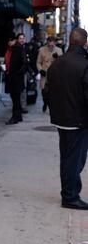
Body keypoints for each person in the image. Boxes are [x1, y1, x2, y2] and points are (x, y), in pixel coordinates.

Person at [46, 28, 88, 210]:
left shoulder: (56, 63)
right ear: (84, 43)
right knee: (74, 160)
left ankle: (68, 194)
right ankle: (70, 196)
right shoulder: (84, 64)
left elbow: (47, 92)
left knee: (67, 158)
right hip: (77, 120)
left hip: (61, 119)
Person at [6, 33, 28, 125]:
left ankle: (15, 117)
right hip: (13, 78)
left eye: (10, 41)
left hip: (15, 79)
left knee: (15, 99)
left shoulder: (17, 48)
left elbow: (25, 64)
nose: (9, 43)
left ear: (13, 40)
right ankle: (18, 117)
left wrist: (17, 73)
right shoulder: (13, 49)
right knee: (16, 99)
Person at [37, 36, 63, 112]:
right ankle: (45, 103)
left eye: (53, 43)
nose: (51, 44)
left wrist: (57, 57)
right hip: (44, 74)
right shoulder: (42, 50)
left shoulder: (59, 50)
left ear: (55, 42)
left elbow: (62, 63)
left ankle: (51, 107)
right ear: (47, 42)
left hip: (54, 75)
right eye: (50, 42)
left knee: (53, 93)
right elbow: (38, 62)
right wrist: (40, 70)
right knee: (44, 93)